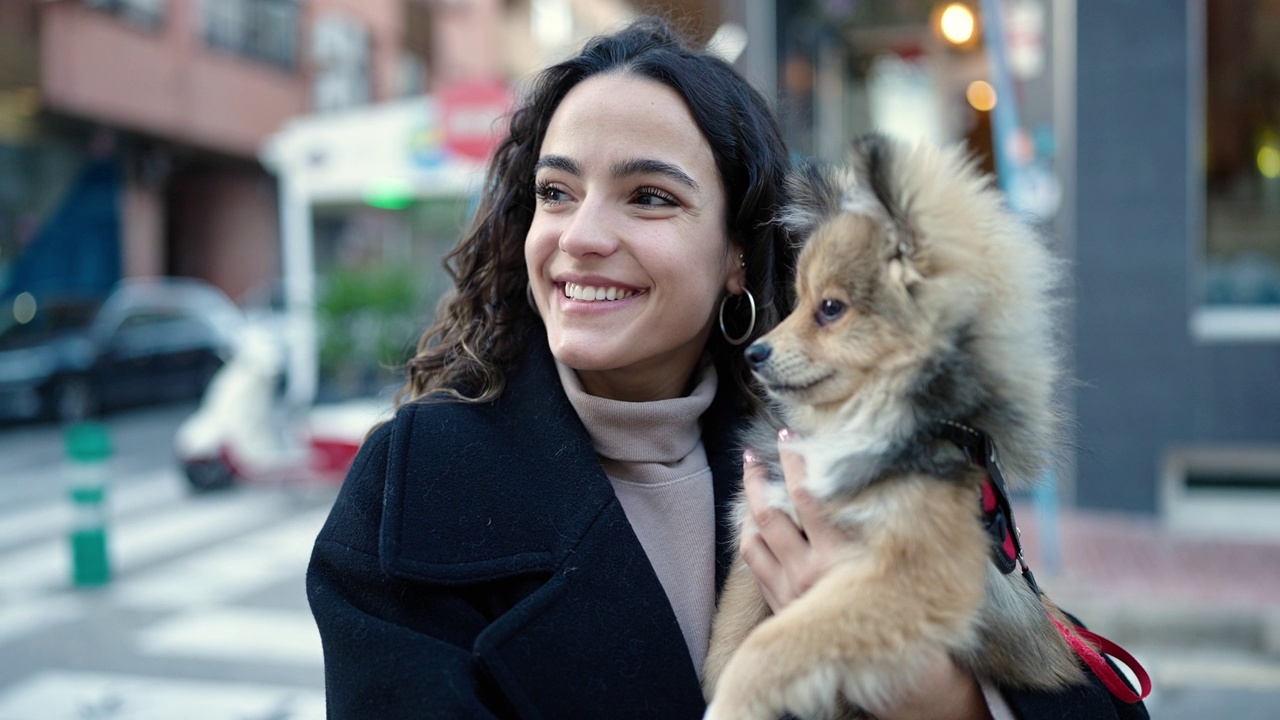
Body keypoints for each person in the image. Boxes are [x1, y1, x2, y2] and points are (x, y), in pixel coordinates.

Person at [307, 17, 1149, 720]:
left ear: (738, 258)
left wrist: (941, 698)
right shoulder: (413, 484)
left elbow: (1100, 695)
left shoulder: (834, 442)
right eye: (556, 193)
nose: (581, 236)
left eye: (649, 197)